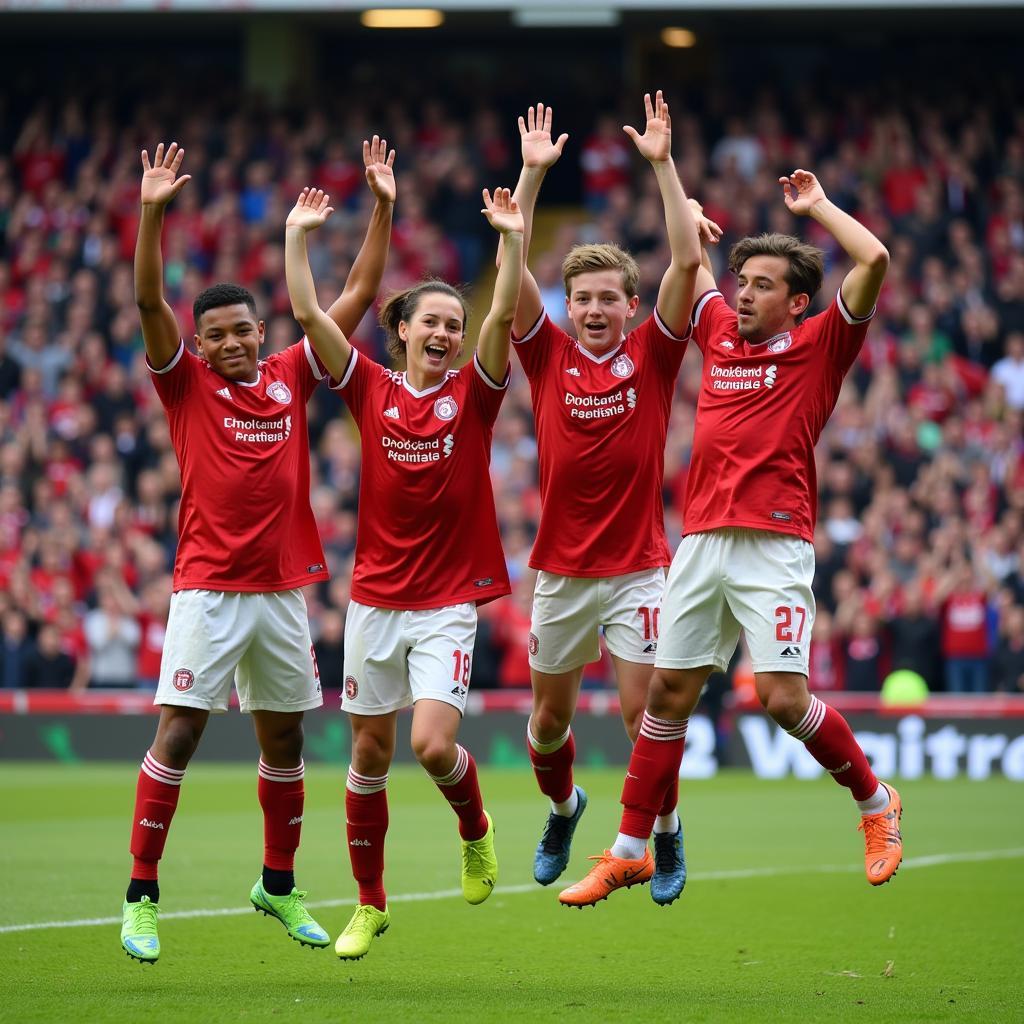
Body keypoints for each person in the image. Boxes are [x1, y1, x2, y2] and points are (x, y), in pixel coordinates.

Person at [560, 168, 899, 908]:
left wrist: (816, 206)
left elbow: (872, 260)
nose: (743, 293)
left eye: (763, 284)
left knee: (780, 698)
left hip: (773, 544)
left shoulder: (821, 345)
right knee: (666, 696)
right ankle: (626, 851)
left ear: (798, 302)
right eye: (741, 279)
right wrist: (663, 164)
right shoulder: (716, 329)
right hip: (703, 541)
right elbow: (690, 261)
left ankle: (876, 803)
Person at [119, 137, 396, 964]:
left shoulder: (292, 372)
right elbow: (145, 303)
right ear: (199, 345)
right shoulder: (185, 382)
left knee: (285, 746)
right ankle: (141, 895)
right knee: (178, 737)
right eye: (219, 335)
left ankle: (277, 883)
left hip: (281, 593)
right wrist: (151, 214)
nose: (234, 344)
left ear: (262, 329)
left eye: (244, 329)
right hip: (207, 588)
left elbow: (361, 292)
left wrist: (382, 205)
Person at [283, 180, 524, 960]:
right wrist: (298, 237)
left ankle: (475, 826)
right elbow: (313, 318)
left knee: (428, 745)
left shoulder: (473, 397)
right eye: (433, 322)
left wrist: (511, 238)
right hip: (375, 604)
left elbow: (500, 318)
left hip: (447, 603)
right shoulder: (369, 390)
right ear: (403, 330)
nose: (447, 333)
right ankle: (370, 903)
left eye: (454, 324)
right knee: (367, 757)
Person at [501, 96, 705, 898]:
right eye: (578, 298)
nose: (590, 310)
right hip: (559, 570)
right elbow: (510, 262)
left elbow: (687, 267)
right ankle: (565, 806)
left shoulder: (653, 356)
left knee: (641, 717)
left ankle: (665, 832)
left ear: (629, 306)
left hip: (636, 570)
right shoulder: (546, 357)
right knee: (549, 725)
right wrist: (529, 174)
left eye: (605, 300)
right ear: (567, 305)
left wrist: (661, 165)